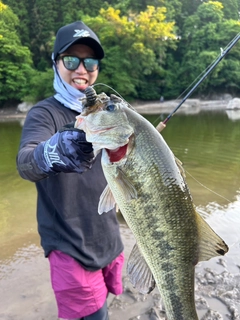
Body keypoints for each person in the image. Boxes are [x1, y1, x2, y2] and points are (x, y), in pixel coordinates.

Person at [16, 21, 124, 320]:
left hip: (108, 236)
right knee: (94, 315)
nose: (82, 69)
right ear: (56, 63)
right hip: (69, 244)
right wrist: (56, 150)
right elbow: (26, 162)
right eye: (71, 60)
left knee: (107, 304)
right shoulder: (45, 113)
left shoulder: (105, 112)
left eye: (90, 61)